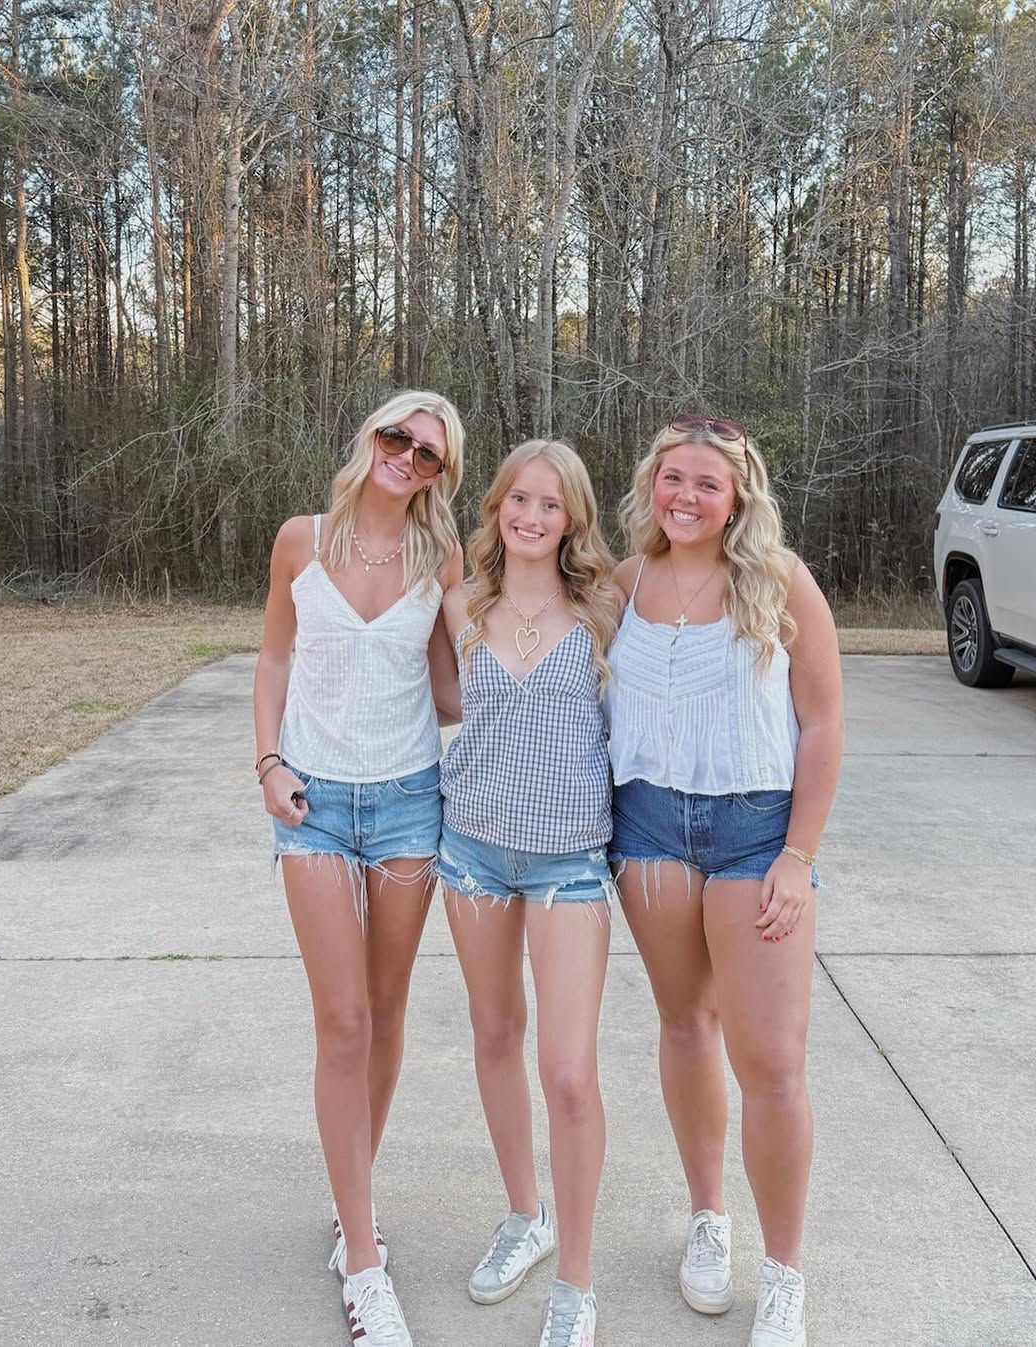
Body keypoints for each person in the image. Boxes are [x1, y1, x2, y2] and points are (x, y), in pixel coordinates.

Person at [607, 415, 844, 1347]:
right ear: (651, 485)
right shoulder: (624, 582)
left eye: (708, 482)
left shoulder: (780, 581)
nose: (688, 496)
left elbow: (823, 724)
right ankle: (708, 1216)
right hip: (648, 828)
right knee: (684, 1022)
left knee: (772, 1062)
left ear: (738, 494)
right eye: (674, 478)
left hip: (756, 833)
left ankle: (783, 1271)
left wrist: (798, 854)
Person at [252, 391, 464, 1347]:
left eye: (428, 453)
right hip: (316, 808)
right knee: (341, 1020)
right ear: (370, 435)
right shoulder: (300, 539)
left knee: (384, 1011)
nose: (406, 456)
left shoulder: (441, 555)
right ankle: (366, 1265)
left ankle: (353, 1207)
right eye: (396, 436)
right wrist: (268, 761)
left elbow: (457, 683)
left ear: (440, 474)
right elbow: (273, 659)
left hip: (410, 804)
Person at [436, 439, 622, 1347]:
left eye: (551, 503)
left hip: (569, 864)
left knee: (570, 1071)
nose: (533, 516)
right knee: (495, 1033)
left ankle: (576, 1283)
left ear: (573, 517)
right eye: (519, 498)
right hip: (470, 852)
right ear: (496, 506)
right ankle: (526, 1215)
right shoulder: (461, 602)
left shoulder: (606, 608)